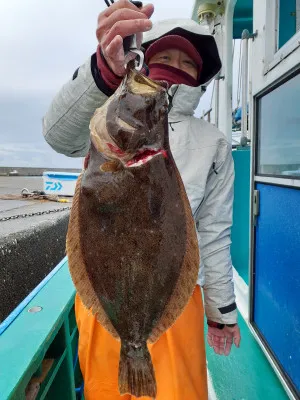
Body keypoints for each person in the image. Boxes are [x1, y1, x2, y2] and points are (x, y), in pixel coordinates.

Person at [43, 1, 241, 398]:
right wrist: (102, 73)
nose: (174, 67)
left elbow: (214, 232)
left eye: (187, 64)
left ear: (199, 79)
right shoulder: (106, 118)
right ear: (142, 60)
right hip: (107, 300)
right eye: (163, 55)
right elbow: (58, 135)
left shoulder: (213, 143)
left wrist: (221, 312)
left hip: (175, 298)